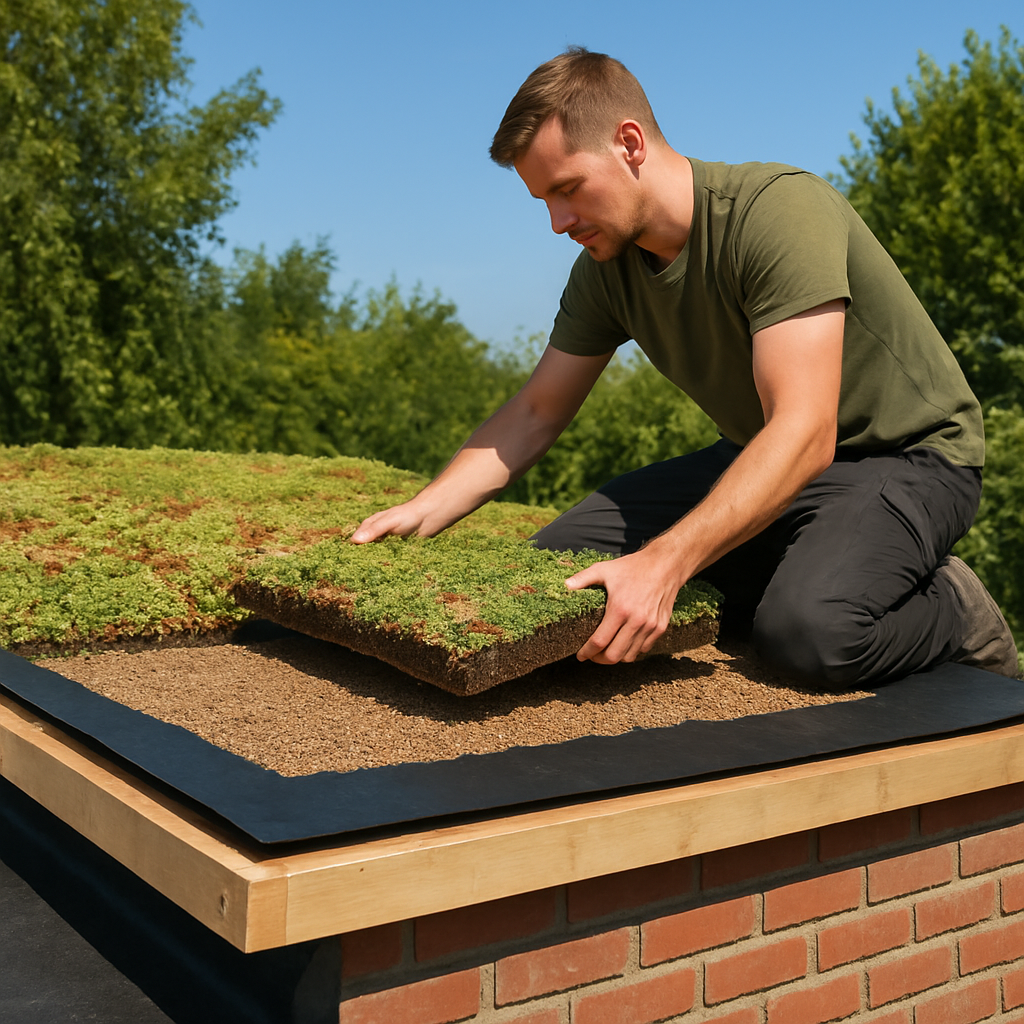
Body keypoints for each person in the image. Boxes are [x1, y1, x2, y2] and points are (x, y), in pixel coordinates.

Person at [353, 47, 1019, 685]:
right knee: (561, 573)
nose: (558, 222)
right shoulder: (605, 271)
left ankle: (955, 610)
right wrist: (423, 510)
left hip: (905, 458)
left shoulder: (778, 212)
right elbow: (534, 412)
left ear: (630, 144)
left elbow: (806, 430)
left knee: (808, 635)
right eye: (543, 202)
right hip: (767, 454)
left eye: (568, 189)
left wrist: (666, 563)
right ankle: (793, 562)